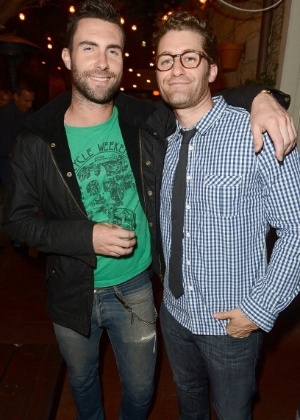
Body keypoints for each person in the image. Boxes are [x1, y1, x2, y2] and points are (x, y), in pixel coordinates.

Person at [2, 1, 297, 419]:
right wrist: (84, 236)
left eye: (114, 50)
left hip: (139, 289)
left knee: (142, 392)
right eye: (89, 48)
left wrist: (262, 97)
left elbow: (198, 98)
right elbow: (16, 222)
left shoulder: (145, 120)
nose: (102, 62)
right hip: (72, 289)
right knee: (83, 379)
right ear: (68, 57)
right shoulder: (36, 138)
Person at [154, 11, 300, 420]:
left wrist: (259, 309)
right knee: (189, 404)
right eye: (166, 59)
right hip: (174, 312)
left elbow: (297, 228)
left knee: (234, 412)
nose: (176, 68)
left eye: (190, 57)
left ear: (212, 69)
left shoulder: (256, 130)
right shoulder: (157, 136)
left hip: (229, 323)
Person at [0, 81, 35, 192]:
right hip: (9, 164)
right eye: (26, 101)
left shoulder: (30, 113)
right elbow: (5, 149)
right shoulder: (5, 116)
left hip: (24, 162)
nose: (30, 105)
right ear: (16, 97)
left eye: (31, 101)